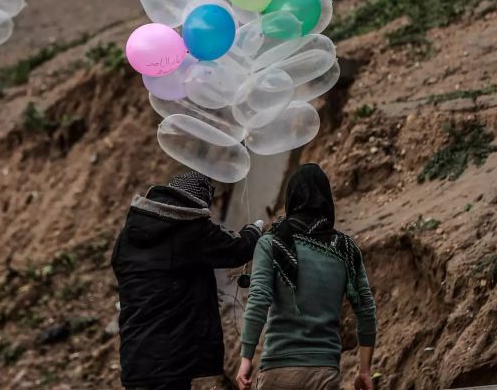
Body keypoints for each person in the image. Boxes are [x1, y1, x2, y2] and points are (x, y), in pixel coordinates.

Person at [112, 171, 264, 390]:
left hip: (134, 356)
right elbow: (236, 249)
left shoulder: (128, 235)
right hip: (169, 358)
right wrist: (254, 230)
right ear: (197, 202)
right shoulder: (190, 229)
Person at [237, 164, 377, 390]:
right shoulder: (345, 249)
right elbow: (366, 310)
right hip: (324, 372)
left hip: (278, 370)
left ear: (291, 199)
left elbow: (259, 299)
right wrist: (364, 370)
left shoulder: (272, 243)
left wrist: (246, 358)